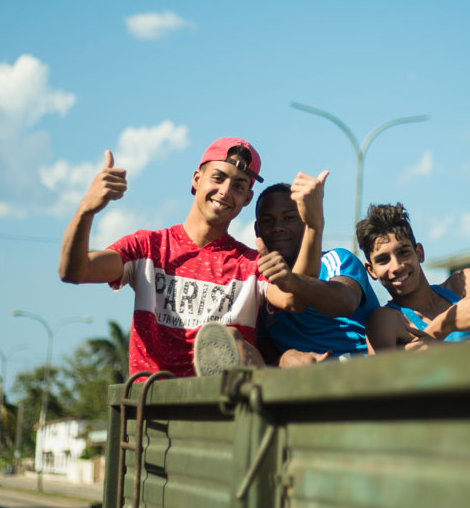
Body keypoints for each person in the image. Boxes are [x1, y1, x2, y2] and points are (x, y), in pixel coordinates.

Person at [58, 137, 327, 377]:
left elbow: (295, 298)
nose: (225, 192)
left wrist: (314, 225)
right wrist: (86, 210)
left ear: (247, 198)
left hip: (221, 411)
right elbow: (75, 271)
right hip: (150, 411)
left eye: (238, 186)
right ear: (197, 179)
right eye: (218, 178)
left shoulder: (250, 264)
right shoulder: (148, 247)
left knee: (233, 339)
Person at [253, 182, 381, 367]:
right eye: (267, 220)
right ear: (257, 229)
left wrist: (293, 281)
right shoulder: (257, 284)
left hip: (363, 375)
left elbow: (345, 301)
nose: (277, 227)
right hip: (305, 387)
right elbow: (265, 354)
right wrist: (284, 359)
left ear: (305, 221)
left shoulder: (336, 259)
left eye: (289, 217)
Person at [356, 203, 470, 352]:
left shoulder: (463, 284)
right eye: (383, 259)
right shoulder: (384, 321)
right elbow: (383, 373)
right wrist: (444, 324)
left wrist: (424, 346)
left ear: (419, 253)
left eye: (403, 252)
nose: (396, 266)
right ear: (371, 270)